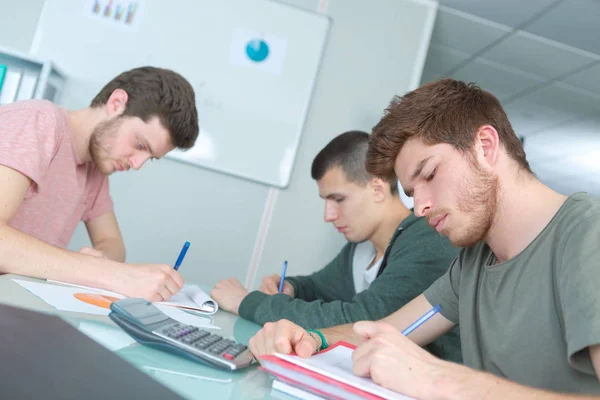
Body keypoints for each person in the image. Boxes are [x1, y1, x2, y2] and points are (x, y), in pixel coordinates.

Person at [247, 79, 600, 398]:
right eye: (413, 192)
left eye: (429, 174)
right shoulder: (473, 263)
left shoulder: (588, 236)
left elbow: (436, 377)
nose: (420, 208)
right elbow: (383, 332)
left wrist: (440, 380)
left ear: (485, 146)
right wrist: (313, 339)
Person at [212, 130, 461, 362]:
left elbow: (361, 321)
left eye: (338, 199)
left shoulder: (427, 238)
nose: (328, 215)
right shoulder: (361, 247)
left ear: (377, 188)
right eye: (325, 201)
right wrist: (292, 287)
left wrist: (246, 302)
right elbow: (318, 286)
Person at [0, 66, 199, 302]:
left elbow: (113, 244)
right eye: (139, 144)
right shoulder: (36, 121)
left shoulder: (95, 168)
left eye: (151, 157)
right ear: (116, 103)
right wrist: (109, 274)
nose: (137, 165)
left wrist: (101, 256)